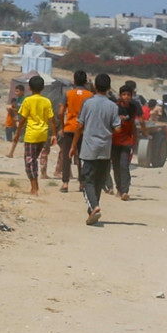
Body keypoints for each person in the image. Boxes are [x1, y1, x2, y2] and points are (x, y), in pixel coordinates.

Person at [70, 73, 120, 225]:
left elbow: (79, 126)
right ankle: (93, 208)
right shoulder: (113, 106)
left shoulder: (88, 103)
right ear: (109, 88)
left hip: (89, 148)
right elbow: (117, 129)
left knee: (87, 180)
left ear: (94, 86)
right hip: (105, 149)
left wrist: (73, 145)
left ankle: (94, 207)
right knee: (98, 180)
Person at [13, 74, 55, 196]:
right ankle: (34, 186)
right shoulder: (46, 101)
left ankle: (34, 188)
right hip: (43, 134)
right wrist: (54, 135)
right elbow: (51, 119)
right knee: (34, 160)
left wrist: (17, 133)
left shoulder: (27, 100)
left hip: (31, 135)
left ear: (29, 88)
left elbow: (22, 119)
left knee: (29, 161)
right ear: (42, 88)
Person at [56, 69, 92, 192]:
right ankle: (82, 183)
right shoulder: (90, 95)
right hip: (84, 130)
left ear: (74, 81)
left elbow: (60, 112)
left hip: (69, 128)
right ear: (86, 81)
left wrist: (62, 126)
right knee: (82, 157)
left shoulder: (68, 94)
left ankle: (65, 183)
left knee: (67, 156)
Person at [111, 84, 147, 200]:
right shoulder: (114, 106)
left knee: (124, 165)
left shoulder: (134, 106)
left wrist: (145, 132)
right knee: (116, 165)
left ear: (132, 96)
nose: (126, 97)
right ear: (120, 95)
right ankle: (119, 188)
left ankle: (125, 191)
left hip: (127, 139)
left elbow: (141, 120)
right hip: (114, 139)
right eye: (124, 94)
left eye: (128, 95)